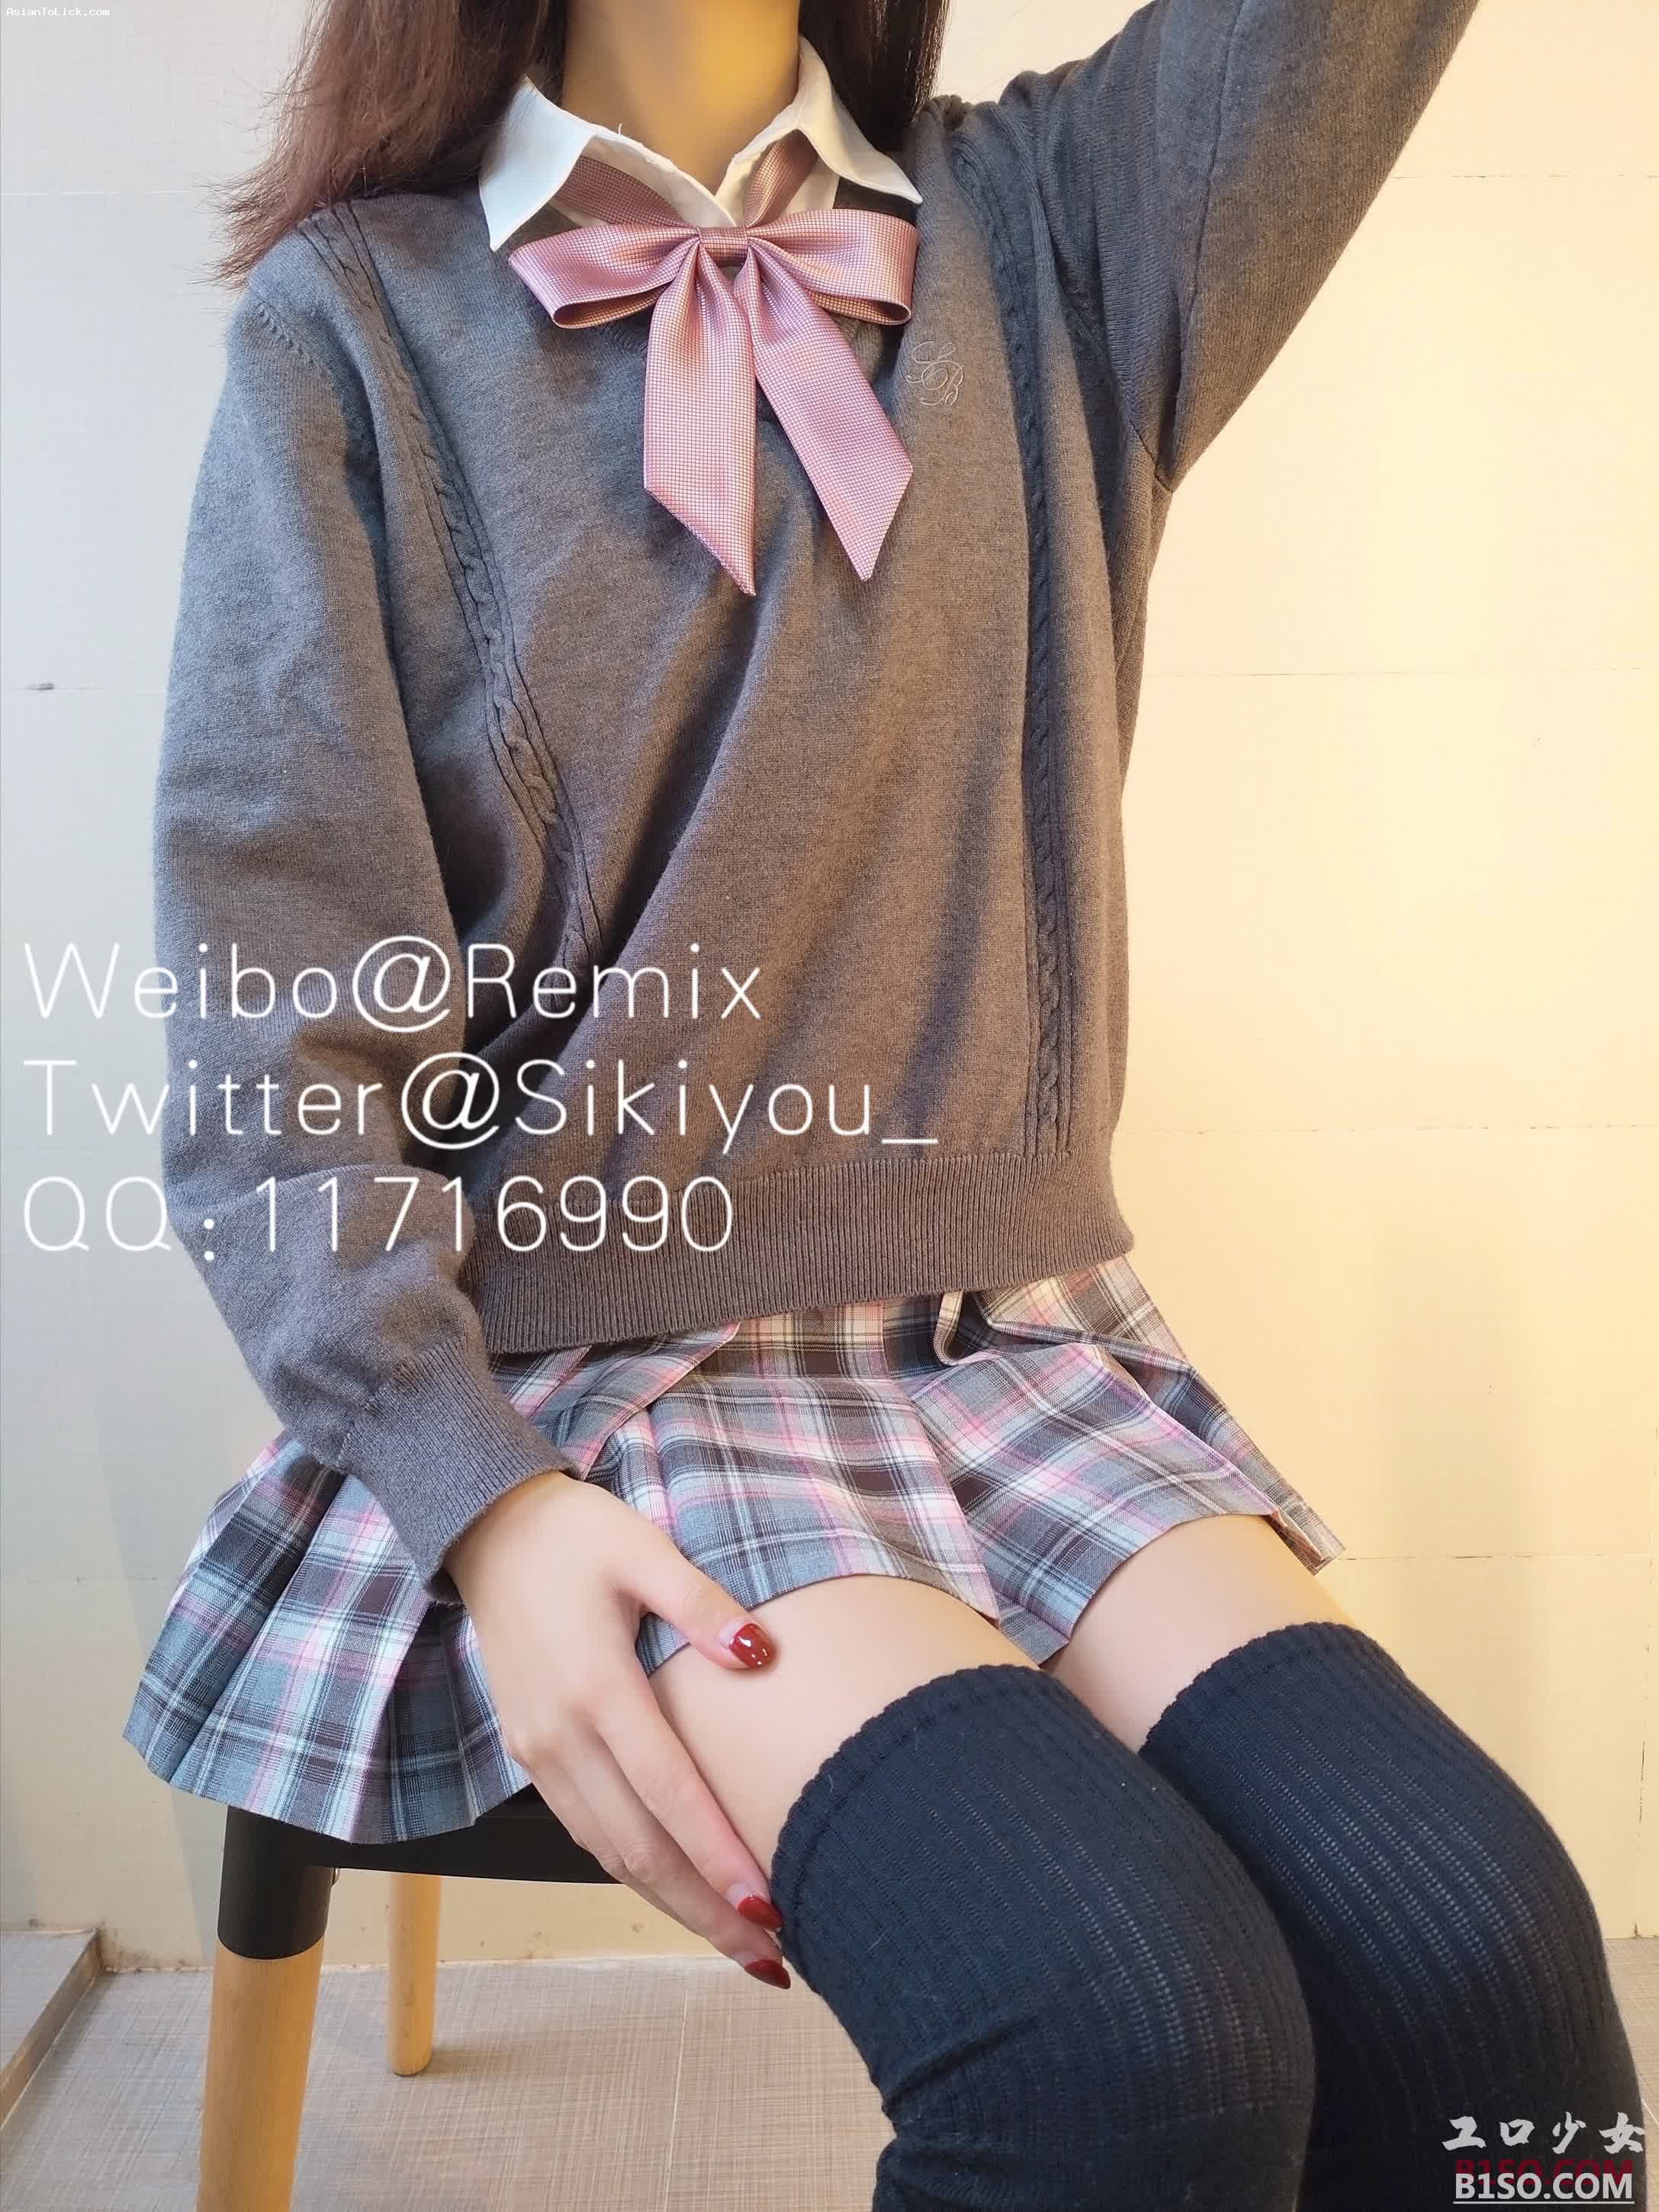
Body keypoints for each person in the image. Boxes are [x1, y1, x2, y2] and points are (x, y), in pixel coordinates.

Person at [126, 2, 1645, 2205]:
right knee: (1131, 2048)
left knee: (1490, 1981)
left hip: (1014, 1348)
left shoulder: (1053, 230)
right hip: (600, 1390)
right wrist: (481, 1496)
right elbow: (277, 1015)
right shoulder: (354, 329)